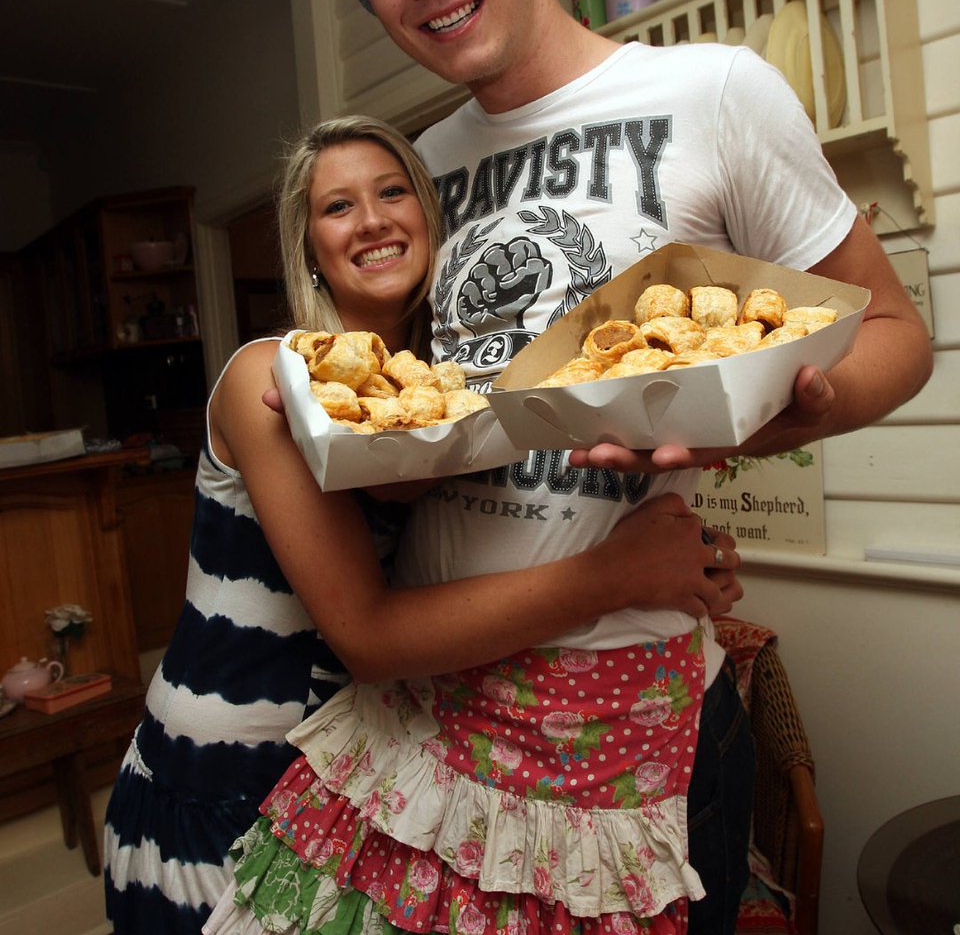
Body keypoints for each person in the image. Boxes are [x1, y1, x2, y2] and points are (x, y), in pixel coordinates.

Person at [203, 0, 931, 935]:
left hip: (634, 715)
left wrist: (773, 410)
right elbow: (400, 415)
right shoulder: (410, 172)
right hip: (440, 715)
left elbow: (897, 334)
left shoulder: (715, 93)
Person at [103, 115, 737, 935]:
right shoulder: (270, 378)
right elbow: (366, 635)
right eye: (337, 207)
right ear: (309, 247)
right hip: (218, 773)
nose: (370, 218)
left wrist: (686, 552)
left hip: (354, 768)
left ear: (432, 221)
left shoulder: (450, 401)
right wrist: (622, 574)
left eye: (392, 190)